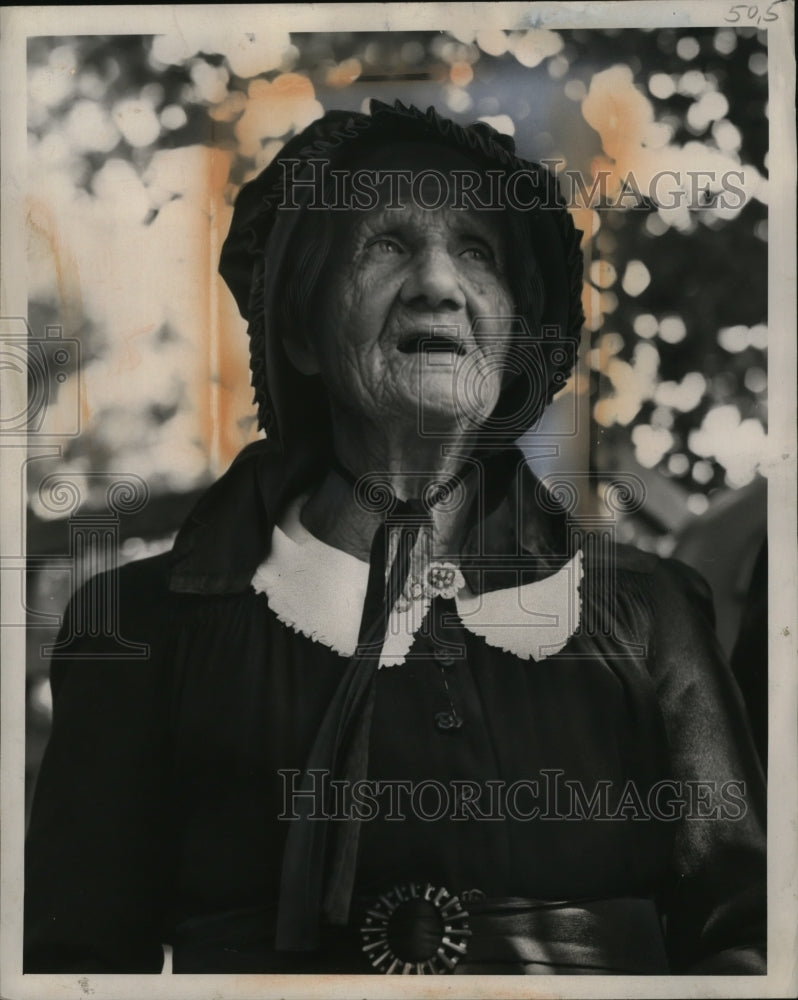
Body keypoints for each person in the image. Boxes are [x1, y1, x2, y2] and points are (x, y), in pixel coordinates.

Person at [24, 99, 766, 976]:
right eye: (385, 244)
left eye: (476, 251)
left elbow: (744, 941)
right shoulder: (146, 629)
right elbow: (75, 970)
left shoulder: (647, 618)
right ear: (298, 329)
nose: (437, 284)